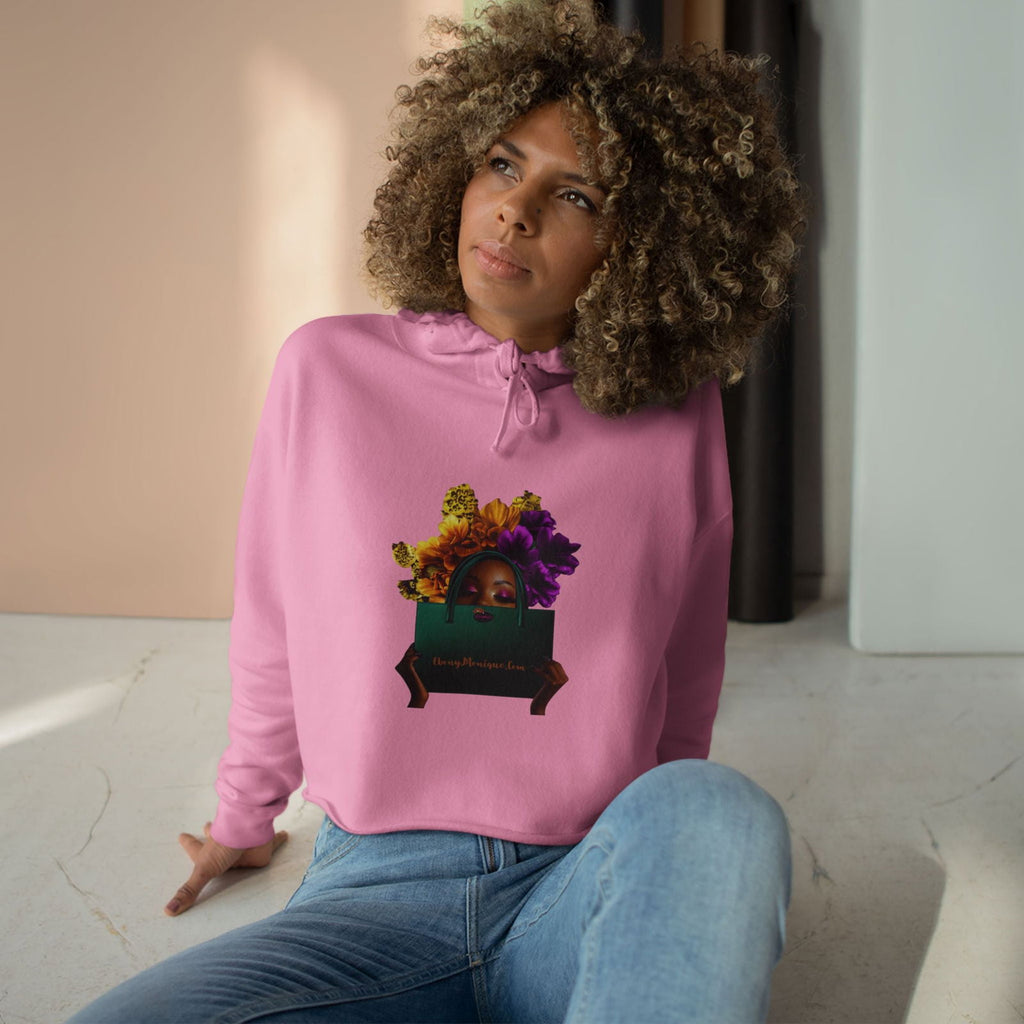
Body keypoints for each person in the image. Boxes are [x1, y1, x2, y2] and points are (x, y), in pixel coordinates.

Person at [67, 0, 804, 1020]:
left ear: (639, 245)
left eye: (575, 194)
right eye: (502, 165)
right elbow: (276, 614)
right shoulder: (328, 372)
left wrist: (658, 875)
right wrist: (244, 813)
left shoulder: (673, 416)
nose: (514, 211)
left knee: (720, 810)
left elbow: (684, 668)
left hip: (579, 884)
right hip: (373, 902)